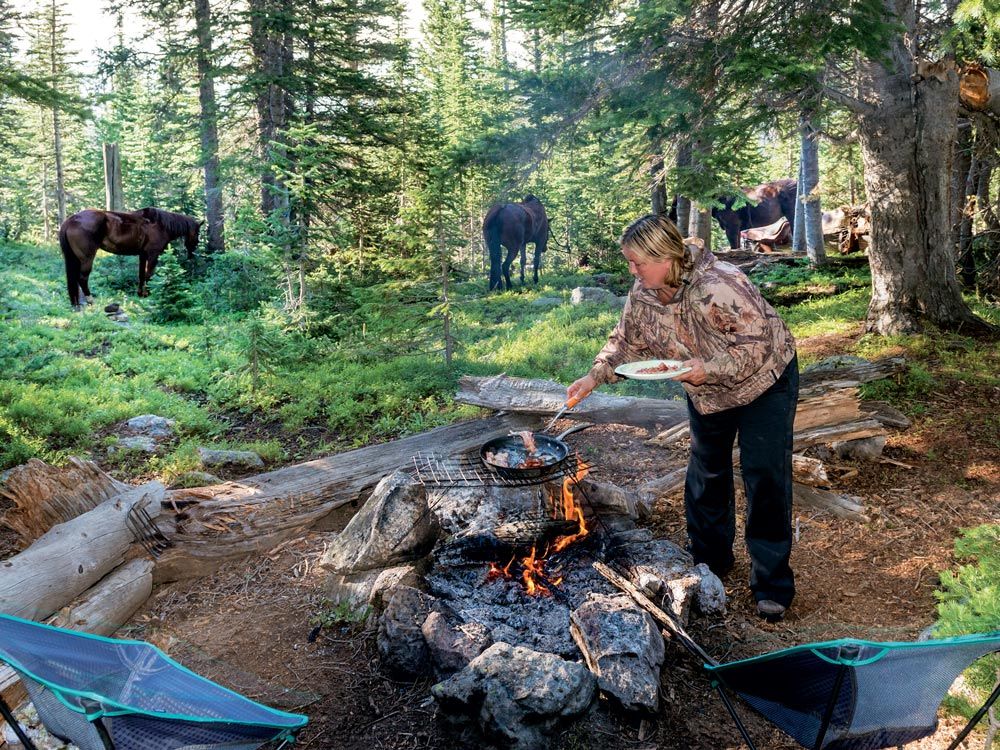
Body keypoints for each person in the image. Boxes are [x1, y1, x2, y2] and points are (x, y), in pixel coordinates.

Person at [568, 213, 798, 620]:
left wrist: (706, 368)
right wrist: (594, 375)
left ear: (665, 256)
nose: (632, 270)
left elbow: (756, 348)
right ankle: (710, 562)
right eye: (629, 262)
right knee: (706, 472)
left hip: (764, 381)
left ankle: (772, 583)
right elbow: (625, 342)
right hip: (706, 390)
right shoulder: (643, 291)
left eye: (637, 261)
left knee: (764, 475)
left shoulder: (720, 285)